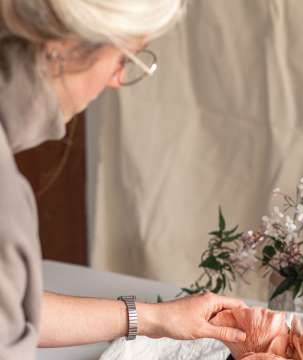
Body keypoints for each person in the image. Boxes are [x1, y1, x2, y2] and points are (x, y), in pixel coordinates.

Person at [0, 1, 247, 358]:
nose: (118, 81)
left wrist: (154, 318)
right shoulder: (6, 201)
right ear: (63, 48)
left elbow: (13, 309)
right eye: (124, 59)